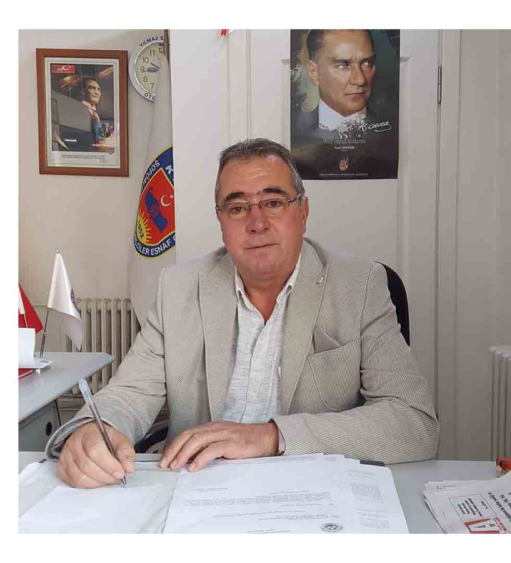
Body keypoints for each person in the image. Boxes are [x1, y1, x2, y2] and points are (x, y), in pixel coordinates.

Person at [49, 138, 438, 488]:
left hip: (312, 494)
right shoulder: (179, 288)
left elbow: (414, 423)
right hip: (200, 490)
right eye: (237, 208)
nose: (257, 223)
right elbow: (131, 392)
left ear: (303, 212)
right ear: (221, 221)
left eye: (273, 202)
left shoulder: (360, 285)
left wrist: (271, 436)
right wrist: (97, 429)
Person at [291, 30, 398, 179]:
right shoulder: (295, 134)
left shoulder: (393, 134)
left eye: (367, 63)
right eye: (343, 65)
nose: (360, 80)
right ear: (314, 72)